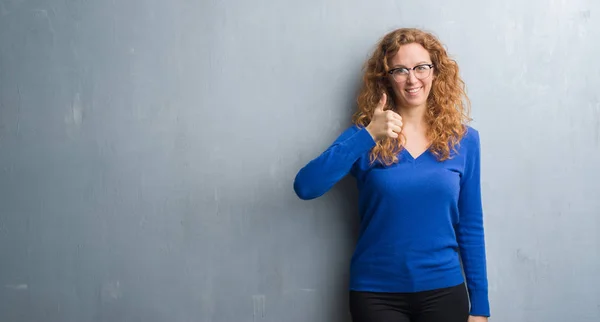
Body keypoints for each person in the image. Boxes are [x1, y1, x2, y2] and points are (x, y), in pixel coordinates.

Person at [293, 28, 490, 322]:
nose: (412, 79)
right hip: (376, 295)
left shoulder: (464, 140)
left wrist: (481, 306)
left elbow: (471, 225)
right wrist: (369, 134)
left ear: (436, 72)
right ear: (387, 78)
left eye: (421, 67)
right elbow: (306, 186)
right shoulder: (364, 137)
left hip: (444, 292)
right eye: (400, 70)